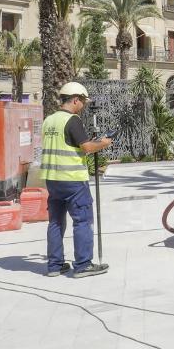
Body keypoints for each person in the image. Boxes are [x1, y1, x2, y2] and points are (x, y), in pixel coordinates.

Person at [41, 82, 112, 278]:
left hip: (52, 180)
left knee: (55, 221)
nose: (84, 105)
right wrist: (104, 143)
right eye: (82, 102)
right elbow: (87, 147)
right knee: (82, 220)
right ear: (75, 100)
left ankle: (54, 265)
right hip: (72, 180)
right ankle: (82, 265)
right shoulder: (72, 120)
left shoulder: (49, 120)